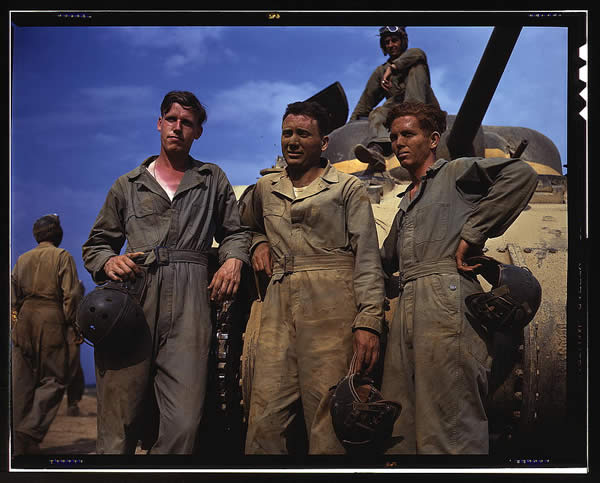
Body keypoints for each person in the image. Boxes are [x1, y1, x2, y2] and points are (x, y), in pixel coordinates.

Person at [81, 90, 249, 454]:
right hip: (132, 300)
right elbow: (96, 245)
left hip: (192, 299)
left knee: (184, 423)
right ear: (159, 124)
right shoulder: (127, 186)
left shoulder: (211, 179)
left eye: (187, 123)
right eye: (171, 120)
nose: (178, 128)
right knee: (118, 420)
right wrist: (109, 262)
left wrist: (234, 259)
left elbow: (236, 232)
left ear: (197, 133)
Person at [379, 102, 538, 454]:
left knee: (450, 428)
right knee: (400, 432)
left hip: (446, 304)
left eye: (408, 134)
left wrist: (474, 231)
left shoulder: (455, 173)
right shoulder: (407, 200)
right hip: (408, 305)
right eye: (393, 137)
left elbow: (521, 175)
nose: (398, 143)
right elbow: (384, 260)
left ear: (433, 139)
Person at [241, 100, 385, 455]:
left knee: (328, 419)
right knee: (264, 418)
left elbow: (367, 257)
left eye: (303, 134)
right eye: (287, 133)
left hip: (331, 304)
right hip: (278, 305)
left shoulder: (346, 189)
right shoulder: (265, 187)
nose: (292, 140)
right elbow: (244, 224)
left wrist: (368, 321)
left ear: (323, 143)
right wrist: (258, 242)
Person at [11, 214, 82, 455]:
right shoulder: (62, 257)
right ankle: (29, 430)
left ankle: (19, 441)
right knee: (55, 377)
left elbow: (12, 299)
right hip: (51, 316)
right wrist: (74, 325)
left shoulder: (22, 259)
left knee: (21, 381)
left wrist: (15, 324)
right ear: (57, 234)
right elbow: (71, 295)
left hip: (24, 318)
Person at [351, 26, 440, 172]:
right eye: (387, 42)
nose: (391, 45)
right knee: (378, 112)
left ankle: (413, 115)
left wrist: (393, 68)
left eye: (394, 40)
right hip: (398, 109)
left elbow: (419, 53)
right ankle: (378, 150)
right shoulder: (380, 71)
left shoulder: (415, 57)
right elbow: (365, 102)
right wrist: (350, 125)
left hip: (425, 110)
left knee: (416, 68)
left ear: (403, 41)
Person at [66, 280, 86, 417]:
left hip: (67, 330)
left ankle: (72, 403)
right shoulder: (75, 286)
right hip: (68, 330)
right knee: (72, 368)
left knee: (73, 368)